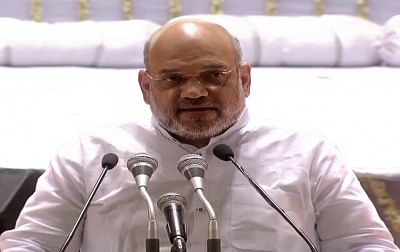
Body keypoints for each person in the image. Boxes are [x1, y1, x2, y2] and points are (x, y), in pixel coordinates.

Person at [0, 18, 398, 252]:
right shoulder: (93, 156)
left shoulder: (307, 152)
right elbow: (30, 244)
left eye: (214, 75)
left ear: (244, 79)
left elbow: (366, 244)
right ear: (145, 87)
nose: (194, 92)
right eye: (173, 78)